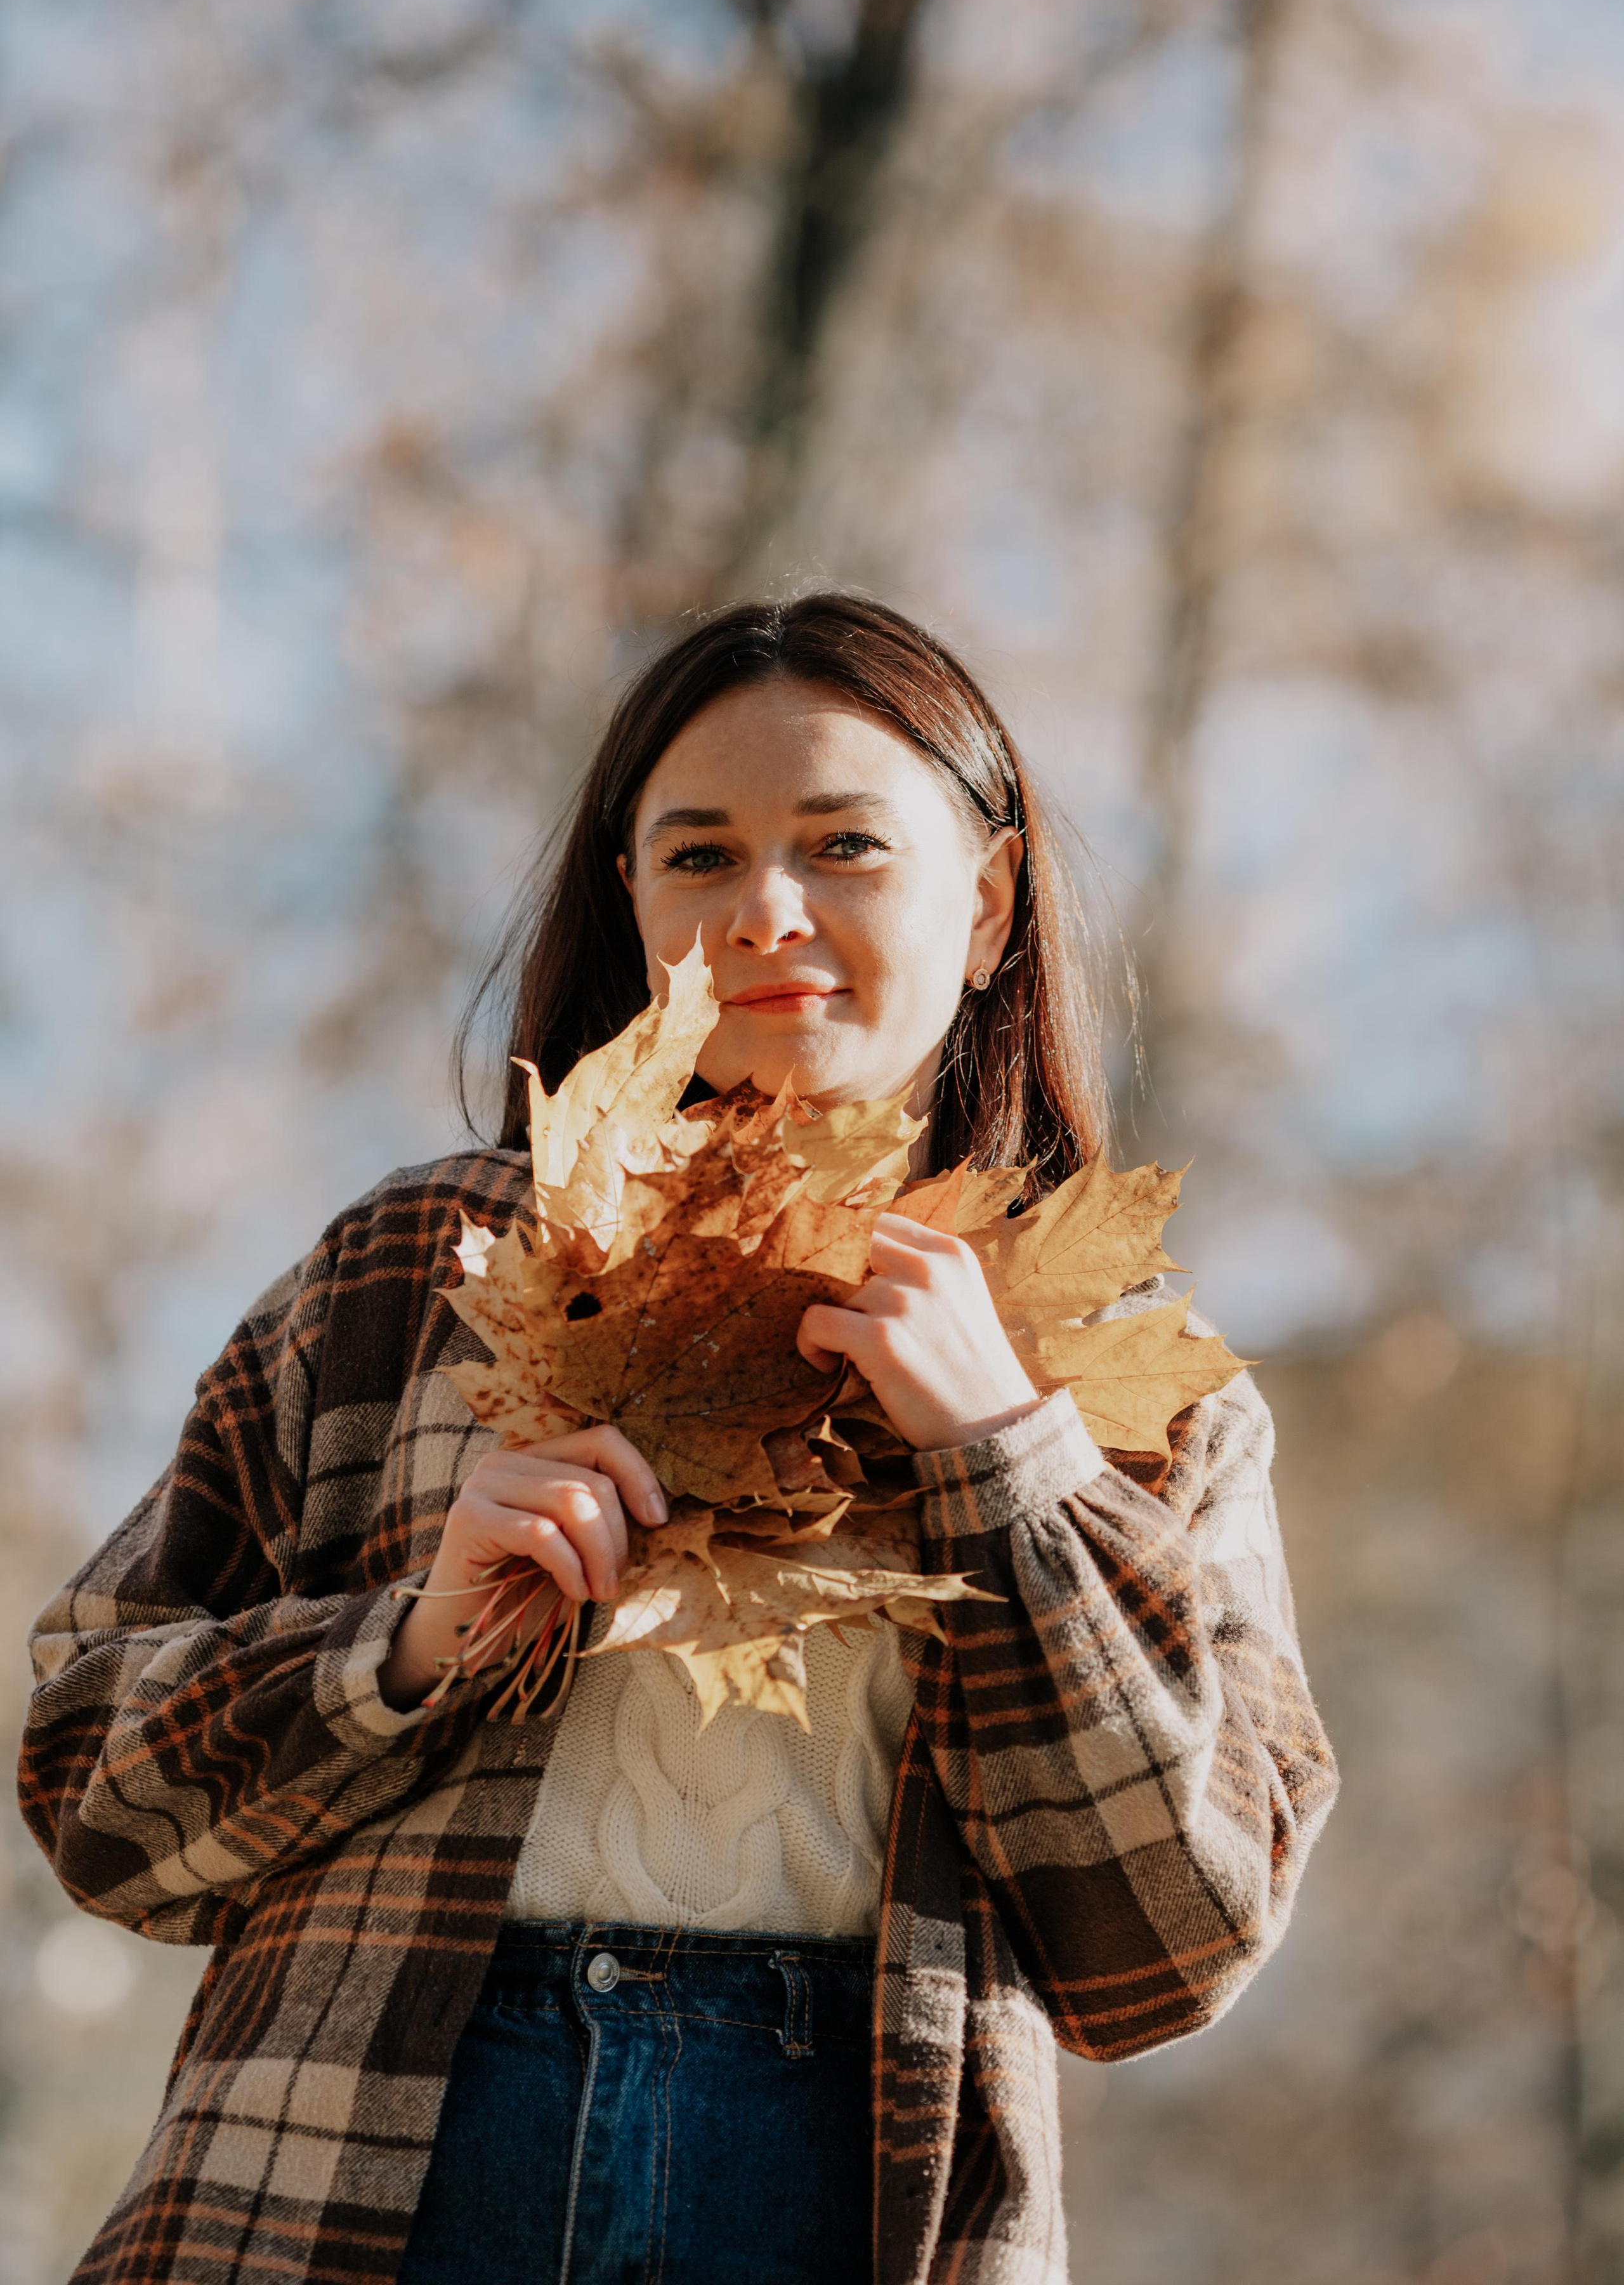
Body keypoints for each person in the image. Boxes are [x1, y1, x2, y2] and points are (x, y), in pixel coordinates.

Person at [19, 592, 1337, 2285]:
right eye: (698, 856)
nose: (766, 910)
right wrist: (405, 1646)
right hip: (362, 2158)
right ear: (632, 903)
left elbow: (1170, 1946)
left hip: (845, 2174)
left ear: (991, 899)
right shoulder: (419, 1273)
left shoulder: (1146, 1390)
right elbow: (91, 1793)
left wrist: (1008, 1463)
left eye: (845, 843)